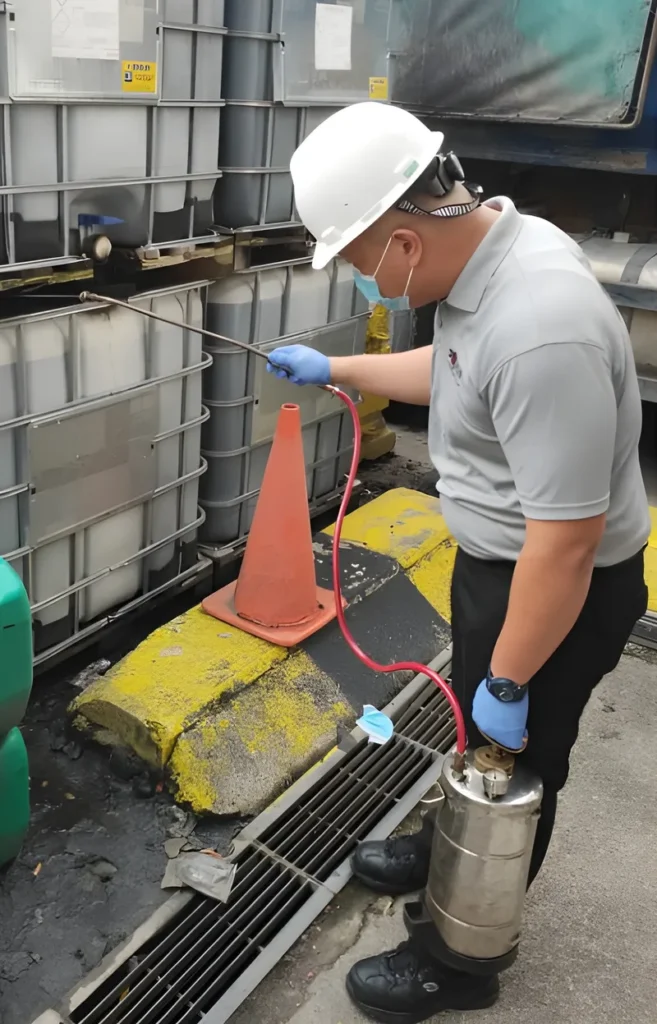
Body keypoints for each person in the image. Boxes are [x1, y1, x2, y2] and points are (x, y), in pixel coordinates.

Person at [267, 101, 650, 1023]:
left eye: (358, 262)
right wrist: (337, 370)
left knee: (511, 770)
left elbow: (565, 543)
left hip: (552, 592)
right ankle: (446, 840)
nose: (363, 281)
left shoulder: (540, 326)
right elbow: (453, 371)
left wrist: (511, 678)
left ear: (403, 240)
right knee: (476, 744)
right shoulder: (498, 257)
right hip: (503, 569)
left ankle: (459, 961)